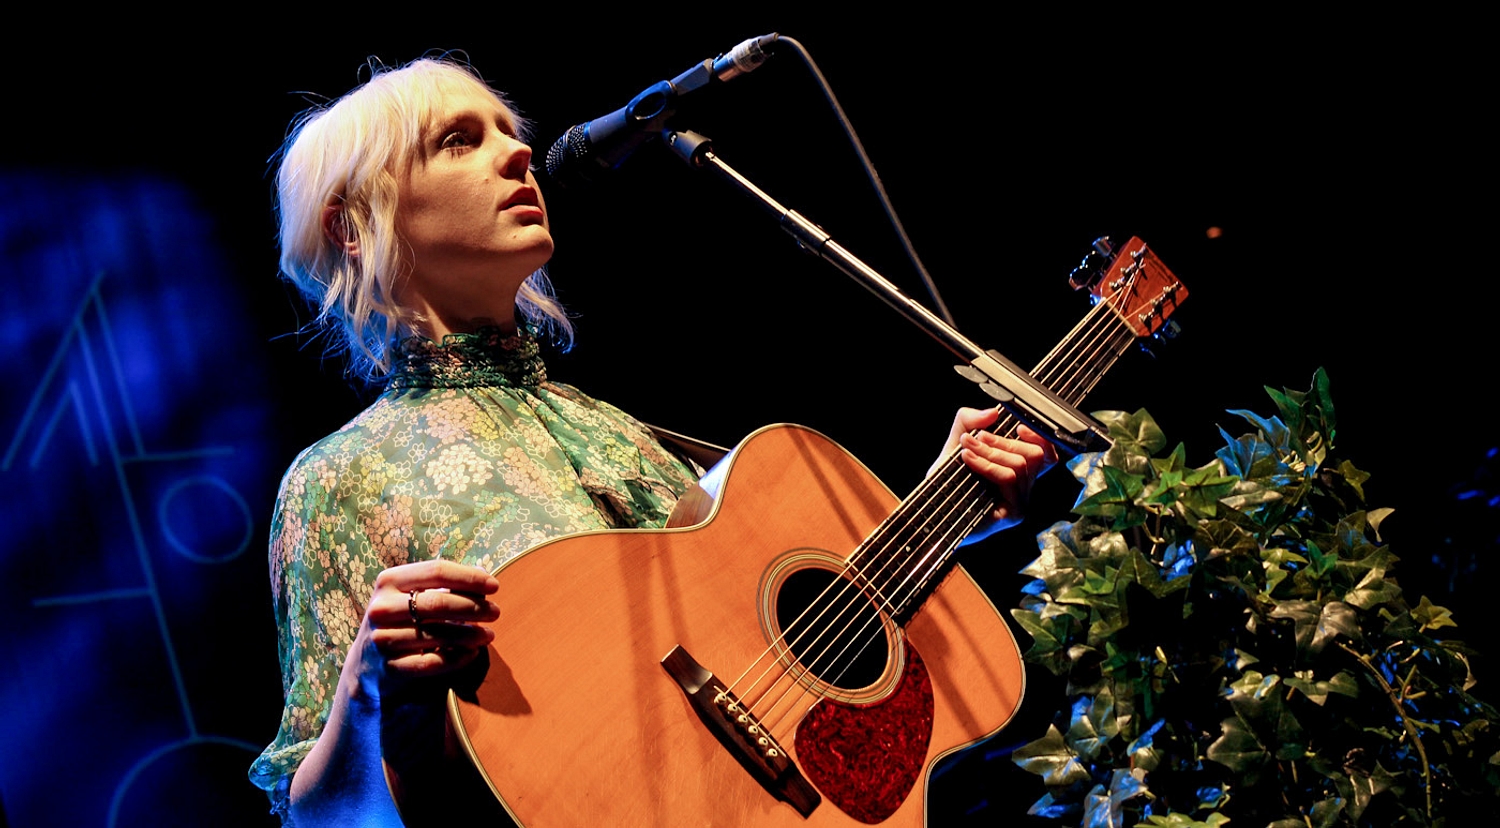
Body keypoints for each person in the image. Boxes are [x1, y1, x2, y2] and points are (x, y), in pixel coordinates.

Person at [248, 56, 1055, 826]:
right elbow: (319, 816)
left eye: (508, 129)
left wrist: (950, 506)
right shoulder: (342, 477)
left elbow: (772, 657)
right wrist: (364, 689)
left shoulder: (617, 432)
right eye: (461, 139)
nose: (519, 150)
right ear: (353, 225)